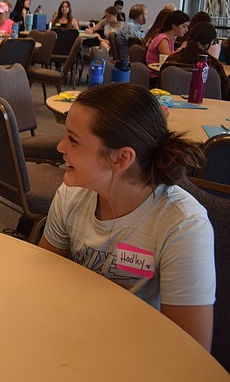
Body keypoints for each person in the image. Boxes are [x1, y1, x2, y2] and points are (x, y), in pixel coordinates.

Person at [39, 83, 215, 351]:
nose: (61, 147)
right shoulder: (72, 194)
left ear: (121, 159)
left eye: (73, 140)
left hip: (137, 352)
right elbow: (41, 277)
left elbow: (190, 352)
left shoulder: (183, 226)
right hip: (73, 336)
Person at [164, 23, 229, 99]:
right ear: (210, 43)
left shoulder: (172, 59)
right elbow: (225, 93)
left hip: (171, 105)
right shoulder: (213, 64)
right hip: (208, 107)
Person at [145, 10, 190, 82]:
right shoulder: (162, 39)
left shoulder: (170, 39)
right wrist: (182, 48)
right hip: (154, 77)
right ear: (174, 26)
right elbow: (169, 59)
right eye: (184, 27)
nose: (186, 30)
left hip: (161, 74)